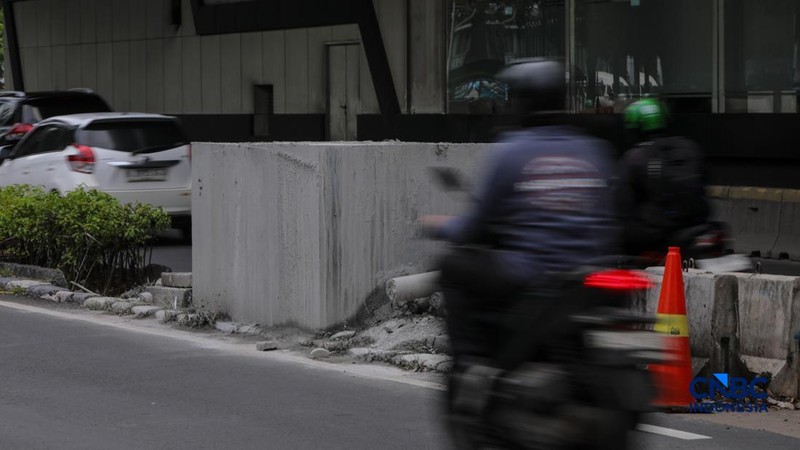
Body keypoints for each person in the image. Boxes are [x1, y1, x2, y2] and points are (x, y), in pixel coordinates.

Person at [420, 58, 620, 370]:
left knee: (454, 266)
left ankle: (472, 366)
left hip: (533, 272)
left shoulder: (510, 150)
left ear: (522, 103)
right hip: (590, 277)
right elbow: (613, 219)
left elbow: (477, 226)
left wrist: (442, 226)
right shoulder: (594, 150)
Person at [617, 98, 710, 257]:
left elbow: (622, 203)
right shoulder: (690, 147)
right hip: (699, 227)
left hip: (658, 234)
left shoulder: (634, 157)